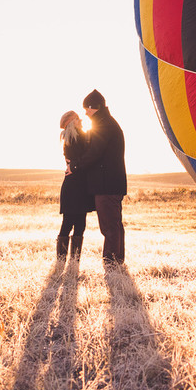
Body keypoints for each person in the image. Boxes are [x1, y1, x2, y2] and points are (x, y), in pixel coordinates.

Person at [70, 89, 127, 267]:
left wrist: (74, 165)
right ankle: (116, 260)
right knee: (115, 224)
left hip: (106, 184)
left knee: (109, 226)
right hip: (111, 183)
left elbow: (94, 153)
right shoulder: (107, 122)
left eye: (87, 108)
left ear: (95, 107)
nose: (85, 112)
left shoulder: (103, 125)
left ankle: (111, 263)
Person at [56, 110, 93, 262]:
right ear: (73, 122)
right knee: (77, 223)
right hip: (77, 187)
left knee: (71, 222)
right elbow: (87, 159)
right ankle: (71, 260)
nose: (81, 120)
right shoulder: (79, 138)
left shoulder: (70, 139)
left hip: (74, 186)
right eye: (78, 118)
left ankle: (64, 260)